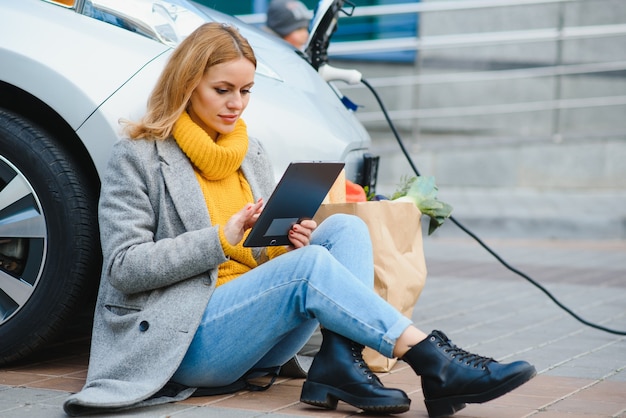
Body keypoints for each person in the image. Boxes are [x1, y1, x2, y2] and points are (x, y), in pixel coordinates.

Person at [63, 22, 536, 418]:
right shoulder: (139, 156)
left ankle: (338, 362)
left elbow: (256, 253)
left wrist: (281, 243)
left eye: (245, 91)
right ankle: (433, 360)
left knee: (344, 229)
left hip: (252, 333)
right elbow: (124, 269)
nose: (236, 103)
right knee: (308, 267)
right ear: (186, 85)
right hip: (180, 340)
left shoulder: (251, 153)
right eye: (222, 90)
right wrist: (219, 239)